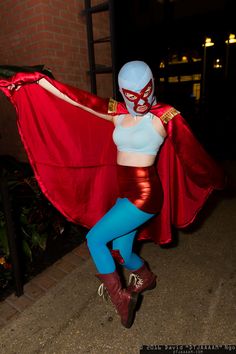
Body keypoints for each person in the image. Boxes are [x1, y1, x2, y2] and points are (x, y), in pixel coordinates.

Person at [0, 61, 225, 329]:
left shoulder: (164, 116)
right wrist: (41, 83)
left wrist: (215, 178)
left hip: (144, 195)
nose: (140, 100)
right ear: (123, 91)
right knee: (121, 249)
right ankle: (146, 278)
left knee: (95, 239)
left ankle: (120, 297)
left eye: (145, 91)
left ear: (152, 85)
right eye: (133, 94)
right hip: (124, 193)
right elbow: (76, 101)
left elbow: (192, 152)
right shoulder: (117, 113)